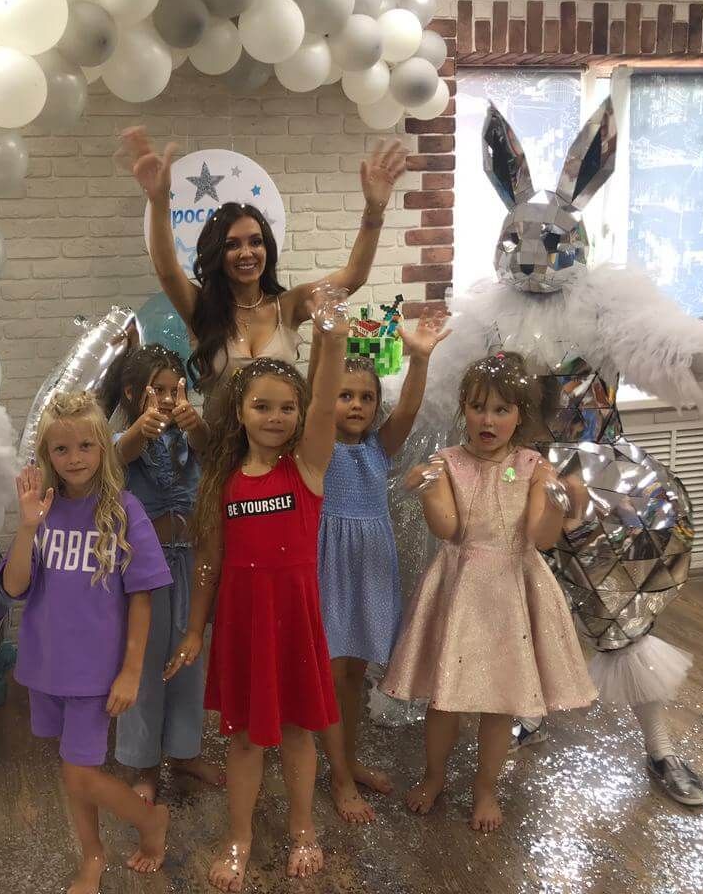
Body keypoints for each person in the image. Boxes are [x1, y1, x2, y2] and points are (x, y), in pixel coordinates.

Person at [165, 288, 349, 891]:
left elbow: (326, 401)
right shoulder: (222, 480)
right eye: (262, 407)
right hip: (244, 622)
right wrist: (195, 629)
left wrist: (331, 337)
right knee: (243, 740)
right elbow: (209, 562)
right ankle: (238, 837)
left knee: (296, 732)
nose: (276, 417)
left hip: (293, 619)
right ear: (239, 412)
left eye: (287, 408)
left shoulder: (308, 467)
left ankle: (303, 828)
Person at [382, 352, 597, 833]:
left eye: (502, 410)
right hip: (459, 589)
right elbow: (449, 529)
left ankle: (485, 787)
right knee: (444, 700)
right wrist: (427, 491)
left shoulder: (532, 466)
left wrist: (561, 504)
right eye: (478, 407)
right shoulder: (447, 463)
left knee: (500, 703)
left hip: (512, 593)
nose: (488, 419)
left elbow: (541, 538)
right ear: (464, 408)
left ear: (520, 415)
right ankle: (434, 775)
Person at [0, 391, 172, 894]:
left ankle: (149, 820)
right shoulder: (42, 511)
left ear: (102, 447)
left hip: (96, 673)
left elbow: (142, 597)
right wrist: (27, 528)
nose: (74, 458)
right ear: (46, 455)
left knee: (78, 774)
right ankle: (93, 854)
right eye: (61, 449)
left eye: (85, 446)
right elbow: (13, 586)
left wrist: (132, 670)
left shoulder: (124, 510)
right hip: (47, 665)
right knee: (74, 767)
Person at [116, 127, 408, 418]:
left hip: (283, 443)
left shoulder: (288, 306)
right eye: (232, 245)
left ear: (267, 248)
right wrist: (159, 202)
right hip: (218, 447)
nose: (247, 253)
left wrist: (374, 212)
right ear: (217, 254)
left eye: (256, 242)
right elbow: (167, 271)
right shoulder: (203, 308)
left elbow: (354, 275)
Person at [313, 309, 450, 824]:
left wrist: (420, 359)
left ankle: (346, 760)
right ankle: (339, 776)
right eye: (345, 395)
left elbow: (408, 411)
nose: (356, 405)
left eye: (366, 397)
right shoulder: (317, 447)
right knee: (331, 673)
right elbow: (317, 395)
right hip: (329, 567)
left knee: (355, 673)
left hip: (370, 565)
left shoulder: (377, 447)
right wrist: (326, 345)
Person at [111, 345, 224, 801]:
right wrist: (141, 428)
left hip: (190, 559)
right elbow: (118, 455)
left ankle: (184, 751)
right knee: (144, 663)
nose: (166, 399)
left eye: (174, 390)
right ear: (132, 393)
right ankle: (143, 763)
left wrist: (195, 424)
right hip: (145, 569)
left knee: (189, 660)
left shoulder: (189, 434)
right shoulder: (125, 436)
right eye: (156, 390)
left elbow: (210, 449)